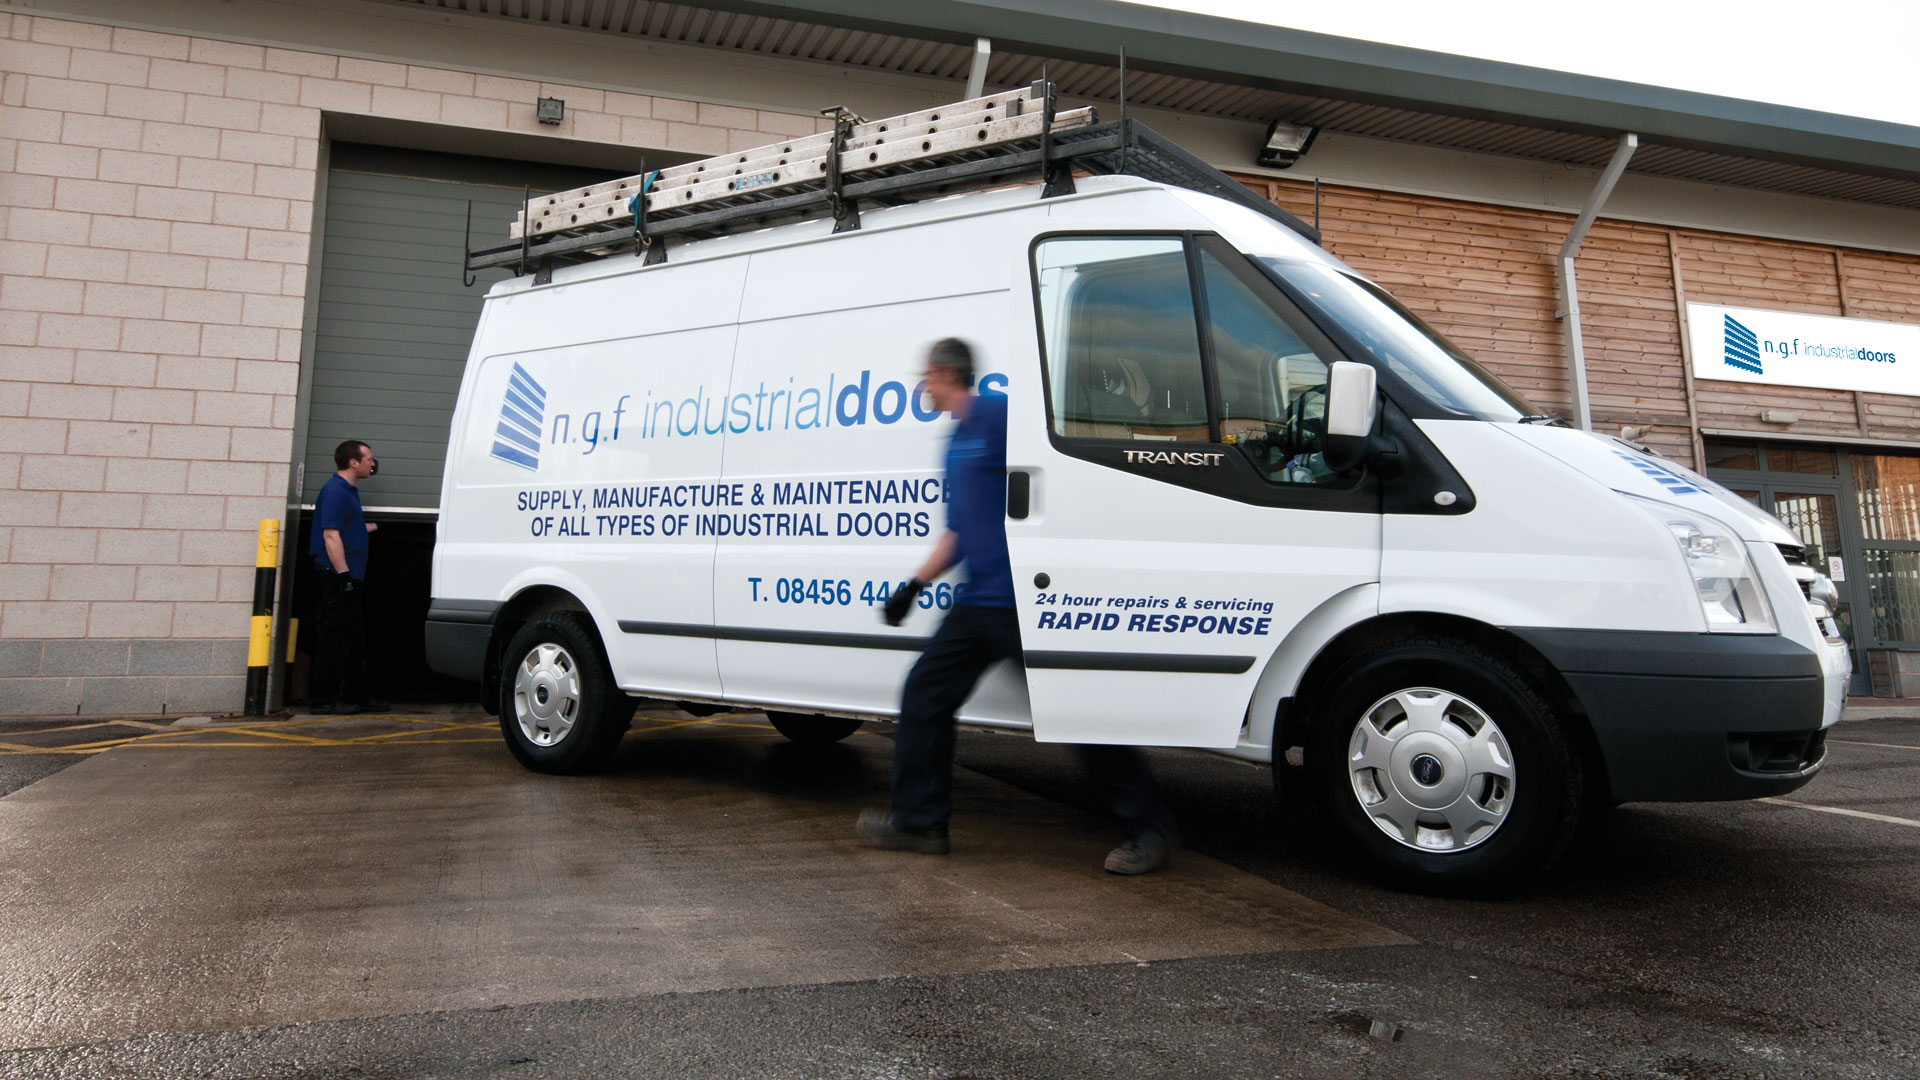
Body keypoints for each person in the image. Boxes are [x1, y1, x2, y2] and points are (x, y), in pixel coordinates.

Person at [855, 339, 1179, 874]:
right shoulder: (955, 437)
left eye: (926, 377)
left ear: (945, 374)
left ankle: (1149, 827)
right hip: (977, 603)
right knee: (924, 695)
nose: (922, 387)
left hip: (1023, 600)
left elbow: (1060, 475)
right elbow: (959, 530)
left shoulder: (998, 415)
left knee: (1073, 711)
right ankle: (919, 823)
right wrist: (912, 586)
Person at [309, 439, 388, 715]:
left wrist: (373, 526)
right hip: (337, 576)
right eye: (368, 458)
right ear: (353, 462)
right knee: (333, 638)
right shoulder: (335, 491)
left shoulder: (348, 491)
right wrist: (344, 576)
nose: (373, 463)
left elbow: (346, 529)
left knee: (353, 638)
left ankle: (358, 694)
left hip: (350, 574)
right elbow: (330, 535)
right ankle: (323, 700)